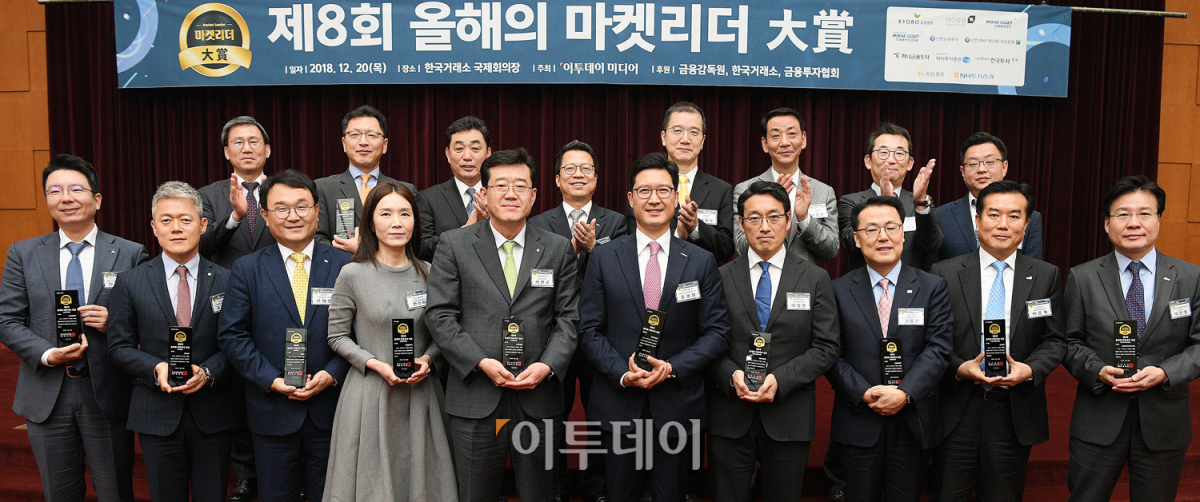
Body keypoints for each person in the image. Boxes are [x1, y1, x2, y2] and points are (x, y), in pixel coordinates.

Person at [426, 148, 580, 502]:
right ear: (483, 193)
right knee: (474, 494)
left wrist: (547, 365)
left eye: (520, 186)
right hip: (476, 395)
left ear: (534, 195)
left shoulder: (557, 248)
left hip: (538, 398)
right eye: (500, 185)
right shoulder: (455, 244)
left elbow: (569, 318)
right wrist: (480, 361)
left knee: (539, 495)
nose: (511, 193)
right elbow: (440, 314)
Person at [579, 152, 730, 502]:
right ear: (630, 199)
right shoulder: (604, 257)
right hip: (619, 402)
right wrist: (622, 371)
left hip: (677, 404)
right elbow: (588, 330)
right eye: (644, 191)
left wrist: (673, 367)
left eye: (663, 190)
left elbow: (717, 333)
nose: (654, 199)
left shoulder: (701, 260)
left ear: (676, 197)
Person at [0, 154, 148, 502]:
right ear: (47, 200)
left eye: (75, 189)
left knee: (115, 492)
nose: (65, 198)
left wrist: (115, 323)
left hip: (106, 393)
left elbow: (150, 321)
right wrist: (46, 353)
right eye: (55, 191)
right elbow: (7, 320)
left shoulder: (130, 253)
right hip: (47, 392)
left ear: (97, 199)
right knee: (60, 494)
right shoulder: (24, 253)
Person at [1061, 176, 1200, 502]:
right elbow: (1068, 341)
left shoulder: (1190, 277)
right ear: (1107, 224)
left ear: (1158, 220)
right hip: (1098, 418)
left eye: (1144, 213)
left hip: (1164, 420)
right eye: (1123, 214)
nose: (1134, 223)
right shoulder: (1083, 277)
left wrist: (1165, 372)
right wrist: (1097, 370)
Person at [218, 169, 352, 502]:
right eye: (281, 208)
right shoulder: (247, 269)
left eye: (302, 206)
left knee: (332, 495)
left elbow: (361, 331)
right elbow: (233, 336)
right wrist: (271, 380)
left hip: (332, 408)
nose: (293, 216)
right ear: (264, 215)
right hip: (271, 410)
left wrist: (332, 373)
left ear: (317, 211)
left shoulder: (346, 265)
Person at [929, 181, 1066, 502]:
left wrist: (1030, 370)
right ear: (977, 221)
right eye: (994, 215)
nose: (1003, 224)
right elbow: (932, 339)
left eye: (1014, 216)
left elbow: (1055, 340)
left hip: (1014, 409)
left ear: (1026, 225)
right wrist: (959, 368)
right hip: (957, 407)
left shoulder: (1046, 275)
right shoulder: (944, 272)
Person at [324, 181, 457, 501]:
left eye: (405, 214)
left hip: (421, 393)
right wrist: (375, 364)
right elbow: (336, 336)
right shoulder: (352, 274)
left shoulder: (430, 273)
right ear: (370, 222)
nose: (396, 222)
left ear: (415, 221)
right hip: (370, 395)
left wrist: (428, 359)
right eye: (386, 214)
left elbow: (444, 331)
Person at [707, 181, 840, 502]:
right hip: (730, 414)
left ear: (788, 220)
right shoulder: (719, 277)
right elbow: (706, 341)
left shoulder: (814, 278)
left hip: (789, 413)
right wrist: (730, 375)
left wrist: (781, 380)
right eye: (754, 218)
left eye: (774, 217)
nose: (764, 227)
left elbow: (827, 347)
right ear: (741, 224)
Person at [108, 181, 238, 502]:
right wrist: (156, 368)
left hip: (213, 412)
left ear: (203, 225)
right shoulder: (131, 282)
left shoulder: (229, 280)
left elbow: (237, 342)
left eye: (185, 219)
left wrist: (208, 372)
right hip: (155, 413)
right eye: (166, 220)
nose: (176, 228)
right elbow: (118, 348)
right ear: (154, 228)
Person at [826, 196, 952, 502]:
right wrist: (863, 392)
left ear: (903, 233)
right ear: (857, 239)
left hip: (912, 418)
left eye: (891, 227)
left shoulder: (932, 286)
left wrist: (905, 392)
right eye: (872, 229)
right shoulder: (837, 289)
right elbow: (830, 352)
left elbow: (938, 348)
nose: (883, 236)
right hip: (859, 418)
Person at [528, 139, 624, 502]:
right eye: (570, 168)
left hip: (604, 335)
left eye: (586, 169)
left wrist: (595, 250)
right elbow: (533, 278)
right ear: (556, 179)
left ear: (596, 178)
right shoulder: (539, 224)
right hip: (554, 334)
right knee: (554, 413)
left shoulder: (617, 221)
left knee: (601, 414)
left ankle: (598, 486)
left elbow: (625, 277)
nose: (578, 174)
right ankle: (556, 487)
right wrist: (569, 250)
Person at [196, 115, 274, 501]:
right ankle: (246, 473)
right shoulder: (208, 195)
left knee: (279, 385)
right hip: (229, 307)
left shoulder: (285, 189)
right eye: (238, 142)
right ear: (227, 152)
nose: (247, 148)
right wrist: (234, 217)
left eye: (254, 141)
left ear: (267, 150)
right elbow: (200, 246)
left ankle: (282, 468)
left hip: (280, 303)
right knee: (238, 393)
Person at [627, 102, 735, 263]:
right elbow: (633, 237)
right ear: (663, 137)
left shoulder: (721, 190)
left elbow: (726, 248)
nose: (685, 139)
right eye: (677, 131)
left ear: (703, 140)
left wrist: (696, 227)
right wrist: (678, 235)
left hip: (703, 275)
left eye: (694, 132)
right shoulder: (644, 185)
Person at [732, 108, 839, 263]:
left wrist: (804, 219)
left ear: (803, 139)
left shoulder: (823, 192)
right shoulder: (745, 189)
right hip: (762, 275)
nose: (784, 142)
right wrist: (770, 202)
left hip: (805, 277)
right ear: (765, 144)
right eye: (776, 136)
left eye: (791, 134)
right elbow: (741, 248)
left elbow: (831, 250)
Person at [837, 122, 944, 271]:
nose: (891, 160)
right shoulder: (851, 202)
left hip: (910, 283)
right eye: (883, 152)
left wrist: (920, 202)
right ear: (868, 161)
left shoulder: (921, 203)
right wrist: (884, 203)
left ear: (910, 163)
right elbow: (851, 243)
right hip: (866, 283)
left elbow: (932, 245)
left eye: (899, 153)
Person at [316, 105, 418, 254]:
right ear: (344, 143)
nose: (363, 142)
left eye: (372, 135)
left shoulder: (405, 190)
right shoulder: (323, 188)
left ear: (384, 145)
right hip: (341, 267)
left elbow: (414, 241)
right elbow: (318, 239)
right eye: (355, 135)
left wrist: (368, 252)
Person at [929, 133, 1044, 264]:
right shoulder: (941, 216)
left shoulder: (1029, 217)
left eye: (990, 162)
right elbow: (931, 270)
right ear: (963, 172)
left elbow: (1034, 269)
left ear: (1004, 167)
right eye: (973, 163)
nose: (981, 169)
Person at [417, 115, 493, 261]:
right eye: (459, 149)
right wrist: (465, 231)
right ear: (448, 154)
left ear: (488, 153)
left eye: (475, 148)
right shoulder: (428, 198)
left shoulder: (500, 194)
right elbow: (423, 249)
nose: (467, 156)